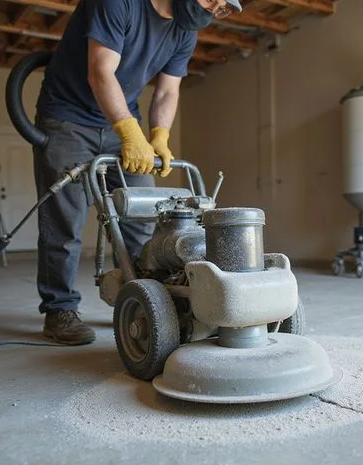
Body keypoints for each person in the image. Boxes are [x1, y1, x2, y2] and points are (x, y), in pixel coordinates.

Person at [32, 0, 242, 345]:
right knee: (63, 220)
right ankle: (60, 311)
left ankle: (139, 298)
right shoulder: (120, 3)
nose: (214, 9)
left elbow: (167, 90)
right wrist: (129, 133)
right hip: (68, 119)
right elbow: (100, 71)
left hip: (121, 119)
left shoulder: (184, 30)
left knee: (143, 214)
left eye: (222, 7)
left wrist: (159, 135)